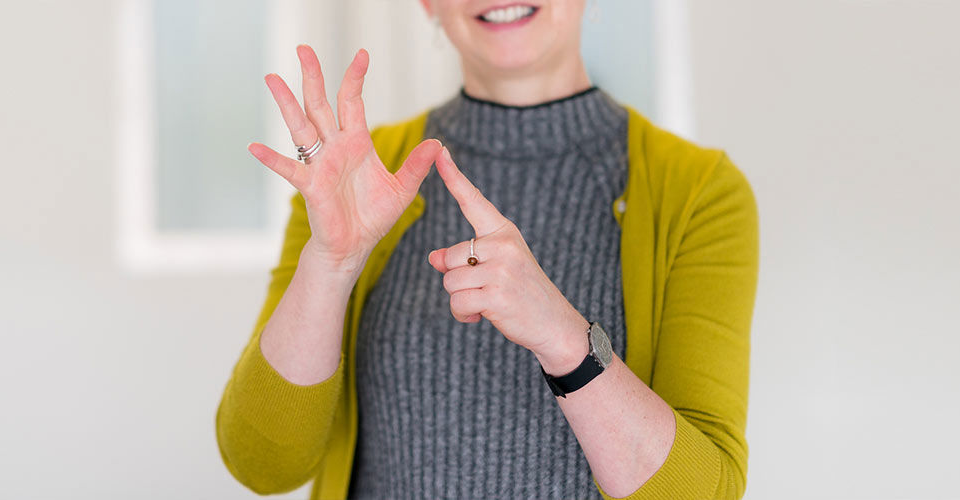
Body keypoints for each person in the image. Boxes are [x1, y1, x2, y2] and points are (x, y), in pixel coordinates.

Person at [215, 1, 758, 499]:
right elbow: (262, 463)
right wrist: (331, 265)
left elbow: (705, 490)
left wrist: (563, 338)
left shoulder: (698, 192)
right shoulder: (350, 175)